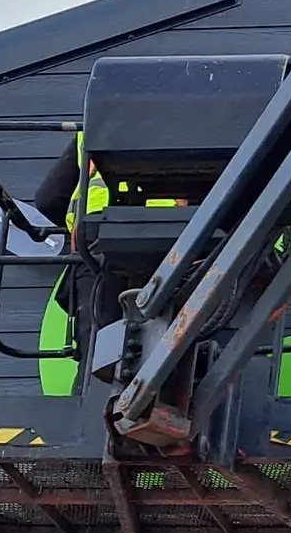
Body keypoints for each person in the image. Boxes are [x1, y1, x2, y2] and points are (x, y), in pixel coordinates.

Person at [32, 130, 181, 367]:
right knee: (171, 344)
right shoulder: (193, 120)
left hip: (95, 242)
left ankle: (90, 393)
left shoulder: (93, 125)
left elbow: (48, 200)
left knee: (96, 351)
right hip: (173, 241)